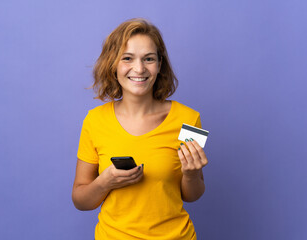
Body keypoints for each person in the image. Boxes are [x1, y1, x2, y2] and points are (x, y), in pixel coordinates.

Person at [72, 18, 208, 240]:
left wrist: (192, 174)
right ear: (113, 63)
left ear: (159, 64)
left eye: (149, 59)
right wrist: (105, 182)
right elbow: (80, 200)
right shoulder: (94, 120)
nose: (139, 68)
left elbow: (192, 195)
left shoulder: (189, 119)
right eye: (127, 58)